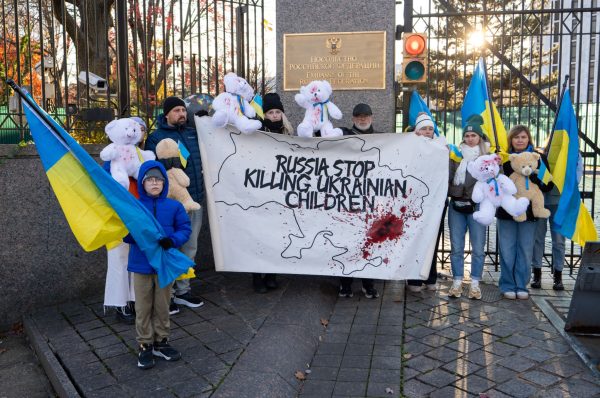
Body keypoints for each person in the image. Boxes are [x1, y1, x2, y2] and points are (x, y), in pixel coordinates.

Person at [124, 161, 191, 369]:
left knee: (163, 306)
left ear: (164, 183)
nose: (154, 183)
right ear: (142, 183)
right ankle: (145, 344)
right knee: (143, 307)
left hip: (165, 265)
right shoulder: (134, 207)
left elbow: (184, 229)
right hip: (141, 266)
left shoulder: (174, 206)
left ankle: (161, 341)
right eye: (150, 180)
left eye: (158, 180)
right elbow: (124, 233)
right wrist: (137, 236)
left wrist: (173, 240)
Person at [145, 97, 205, 314]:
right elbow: (152, 172)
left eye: (183, 110)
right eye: (177, 110)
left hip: (195, 200)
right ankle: (166, 295)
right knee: (170, 248)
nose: (182, 114)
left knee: (190, 248)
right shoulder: (155, 138)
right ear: (167, 114)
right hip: (170, 206)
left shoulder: (192, 133)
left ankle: (183, 291)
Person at [497, 125, 554, 300]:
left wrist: (534, 174)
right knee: (507, 249)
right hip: (507, 212)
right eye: (516, 137)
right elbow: (495, 184)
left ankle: (521, 285)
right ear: (511, 140)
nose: (520, 140)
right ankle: (507, 284)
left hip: (530, 214)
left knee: (525, 249)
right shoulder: (504, 159)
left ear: (529, 138)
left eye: (523, 137)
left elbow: (549, 185)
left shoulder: (539, 158)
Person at [338, 103, 382, 299]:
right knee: (346, 241)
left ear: (371, 118)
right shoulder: (343, 135)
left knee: (369, 242)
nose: (362, 119)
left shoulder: (383, 139)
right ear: (353, 119)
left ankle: (368, 283)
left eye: (366, 116)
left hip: (371, 200)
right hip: (348, 198)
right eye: (359, 117)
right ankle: (345, 283)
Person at [251, 92, 293, 293]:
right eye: (270, 112)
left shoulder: (288, 132)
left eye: (278, 112)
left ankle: (271, 275)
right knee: (259, 234)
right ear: (264, 114)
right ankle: (256, 275)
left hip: (281, 191)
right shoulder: (256, 130)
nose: (275, 115)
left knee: (276, 235)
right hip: (261, 190)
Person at [447, 116, 489, 299]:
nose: (470, 138)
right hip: (456, 205)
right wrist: (461, 189)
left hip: (478, 207)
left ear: (480, 137)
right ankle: (456, 281)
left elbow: (495, 180)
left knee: (478, 247)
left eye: (473, 135)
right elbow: (447, 178)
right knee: (456, 246)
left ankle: (474, 283)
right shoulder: (455, 155)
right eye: (467, 135)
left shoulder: (488, 156)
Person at [406, 113, 448, 292]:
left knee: (433, 238)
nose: (428, 132)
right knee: (414, 238)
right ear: (417, 130)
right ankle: (413, 277)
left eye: (430, 129)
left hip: (436, 201)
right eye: (424, 128)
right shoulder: (409, 146)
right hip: (414, 201)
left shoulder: (441, 147)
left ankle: (430, 275)